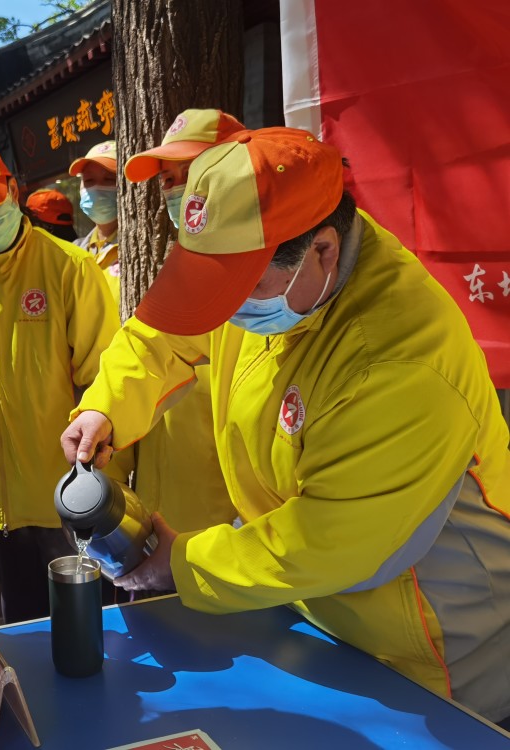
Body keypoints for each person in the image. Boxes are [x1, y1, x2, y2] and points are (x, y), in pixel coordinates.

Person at [61, 126, 510, 725]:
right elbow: (161, 334)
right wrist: (104, 405)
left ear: (324, 249)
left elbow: (330, 538)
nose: (223, 310)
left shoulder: (399, 358)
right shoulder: (260, 266)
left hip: (437, 652)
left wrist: (183, 562)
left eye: (239, 291)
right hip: (318, 619)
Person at [0, 142, 120, 623]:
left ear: (13, 190)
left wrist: (105, 479)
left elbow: (105, 381)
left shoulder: (69, 269)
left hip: (65, 497)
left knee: (88, 628)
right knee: (22, 624)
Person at [117, 109, 247, 534]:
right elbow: (144, 355)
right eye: (168, 180)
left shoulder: (273, 277)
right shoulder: (182, 267)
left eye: (189, 172)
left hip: (231, 535)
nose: (177, 190)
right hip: (161, 522)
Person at [70, 141, 122, 301]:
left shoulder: (145, 247)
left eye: (108, 179)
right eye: (89, 181)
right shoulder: (74, 252)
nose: (96, 188)